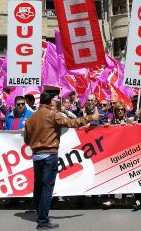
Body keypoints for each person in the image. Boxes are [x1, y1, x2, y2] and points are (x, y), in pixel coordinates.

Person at [24, 92, 99, 230]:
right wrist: (90, 117)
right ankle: (43, 221)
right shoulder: (53, 114)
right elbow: (72, 123)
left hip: (37, 155)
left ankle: (40, 214)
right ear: (50, 102)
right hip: (49, 154)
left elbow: (26, 140)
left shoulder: (31, 118)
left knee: (39, 186)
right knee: (47, 188)